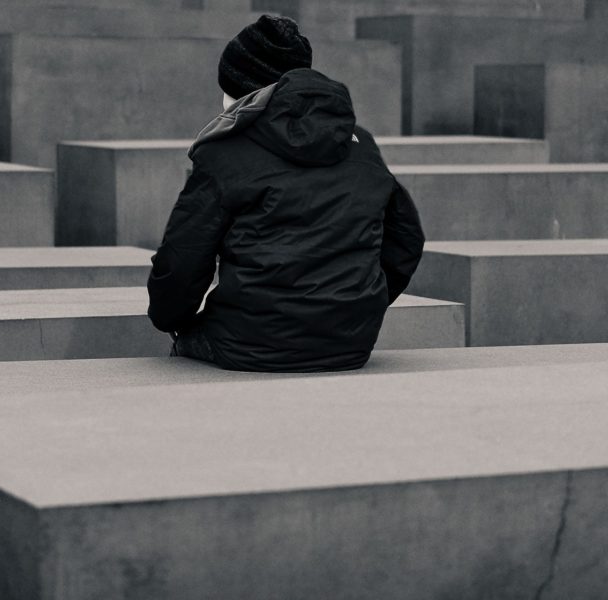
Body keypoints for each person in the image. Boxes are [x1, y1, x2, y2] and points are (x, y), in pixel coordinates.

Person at [147, 14, 425, 373]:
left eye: (227, 89)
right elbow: (407, 238)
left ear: (245, 93)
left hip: (250, 344)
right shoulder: (361, 144)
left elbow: (183, 258)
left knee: (181, 355)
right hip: (351, 343)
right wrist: (359, 304)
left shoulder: (224, 153)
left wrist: (169, 318)